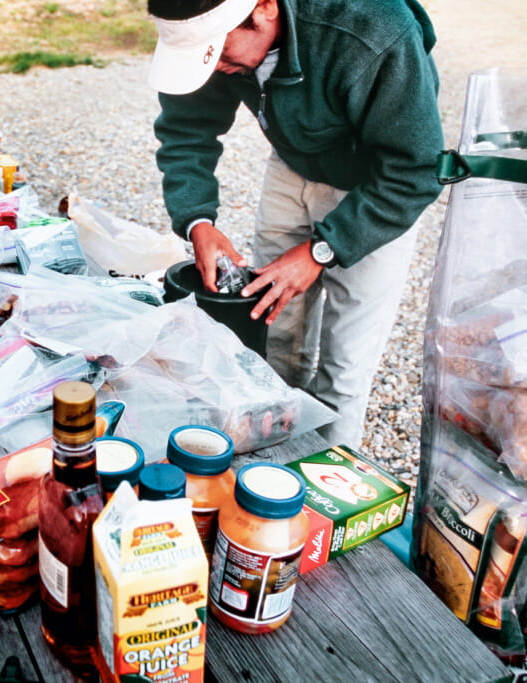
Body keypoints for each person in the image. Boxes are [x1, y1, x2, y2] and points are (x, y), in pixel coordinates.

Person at [147, 0, 444, 447]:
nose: (217, 69)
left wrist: (321, 250)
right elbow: (187, 130)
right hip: (292, 164)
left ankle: (331, 489)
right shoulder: (216, 32)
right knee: (276, 336)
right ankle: (272, 464)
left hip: (375, 186)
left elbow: (416, 170)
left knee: (344, 367)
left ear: (264, 7)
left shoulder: (376, 33)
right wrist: (197, 222)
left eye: (221, 54)